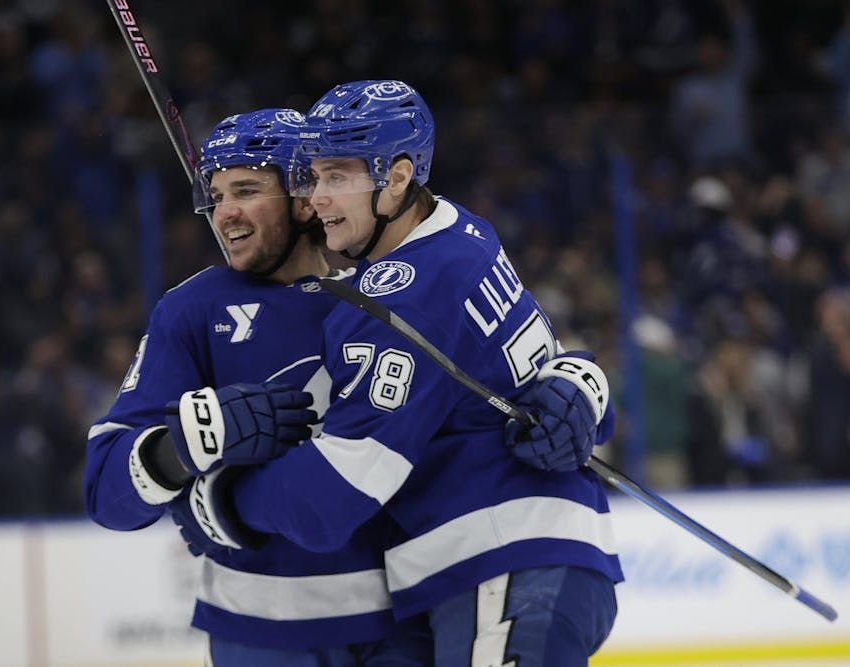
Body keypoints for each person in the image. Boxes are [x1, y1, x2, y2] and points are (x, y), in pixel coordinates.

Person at [171, 81, 623, 667]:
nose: (319, 200)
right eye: (312, 178)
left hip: (505, 563)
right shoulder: (463, 232)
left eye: (338, 178)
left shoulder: (398, 297)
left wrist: (227, 501)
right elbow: (557, 388)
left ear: (400, 177)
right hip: (537, 559)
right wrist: (587, 384)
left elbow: (334, 497)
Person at [83, 108, 434, 666]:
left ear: (305, 197)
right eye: (217, 196)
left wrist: (570, 380)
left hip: (406, 623)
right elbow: (105, 492)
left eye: (246, 190)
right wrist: (186, 446)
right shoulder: (192, 309)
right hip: (260, 634)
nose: (224, 213)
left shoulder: (393, 289)